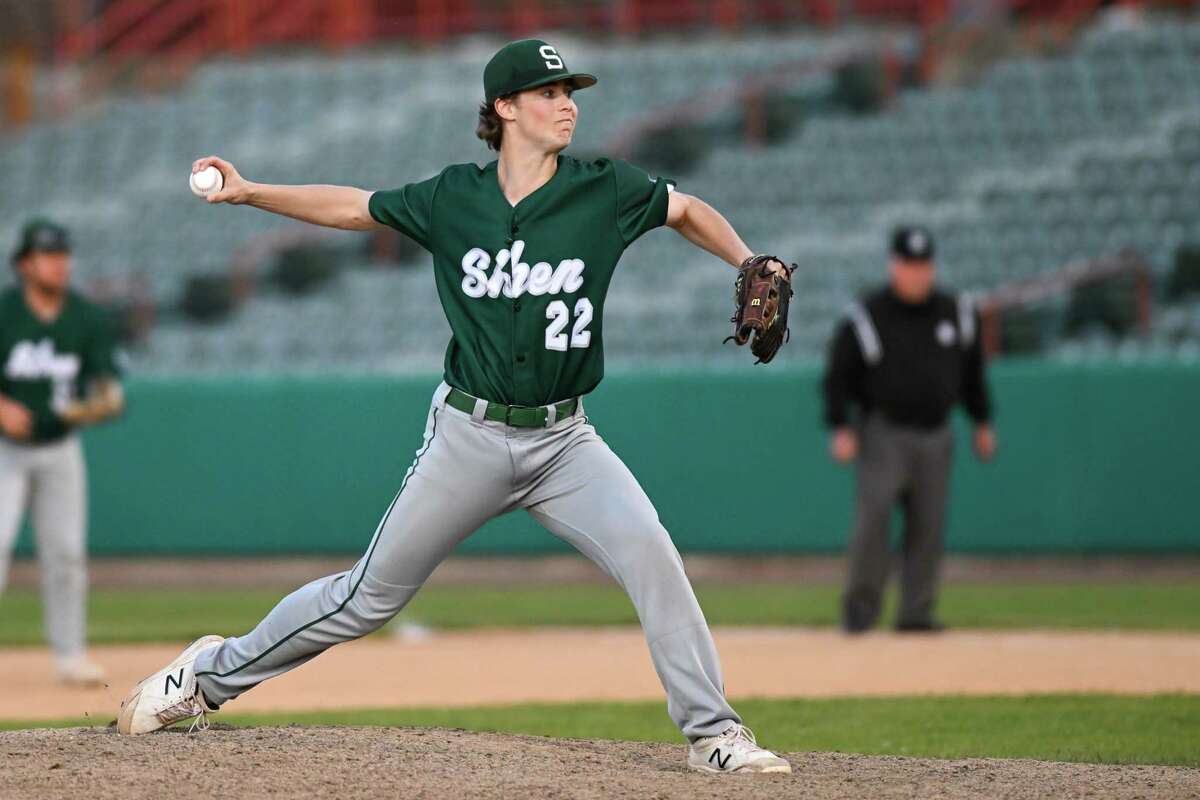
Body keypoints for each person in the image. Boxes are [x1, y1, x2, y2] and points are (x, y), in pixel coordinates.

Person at [117, 39, 792, 775]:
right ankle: (206, 675)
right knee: (363, 600)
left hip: (567, 442)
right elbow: (353, 209)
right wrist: (251, 191)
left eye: (570, 92)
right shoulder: (452, 199)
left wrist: (749, 259)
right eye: (548, 92)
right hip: (468, 434)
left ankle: (714, 734)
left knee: (653, 556)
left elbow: (685, 208)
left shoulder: (605, 188)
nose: (567, 103)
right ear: (504, 107)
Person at [822, 225, 995, 634]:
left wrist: (982, 421)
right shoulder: (869, 315)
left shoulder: (956, 313)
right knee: (874, 519)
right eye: (909, 265)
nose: (917, 274)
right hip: (885, 432)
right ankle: (860, 610)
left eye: (923, 265)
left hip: (938, 432)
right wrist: (839, 425)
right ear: (893, 266)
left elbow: (972, 375)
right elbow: (838, 375)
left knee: (929, 524)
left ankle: (916, 612)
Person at [0, 218, 125, 685]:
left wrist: (100, 402)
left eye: (63, 255)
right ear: (25, 264)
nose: (59, 264)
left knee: (67, 554)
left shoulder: (85, 316)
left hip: (59, 447)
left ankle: (70, 656)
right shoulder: (6, 311)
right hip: (5, 450)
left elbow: (105, 382)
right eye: (49, 256)